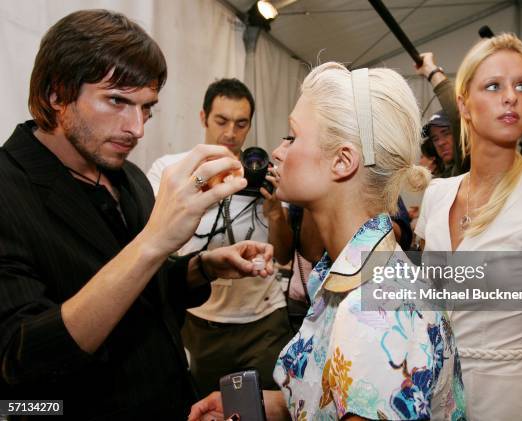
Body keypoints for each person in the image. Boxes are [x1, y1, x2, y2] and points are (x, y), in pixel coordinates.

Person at [0, 10, 274, 420]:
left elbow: (144, 289)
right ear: (56, 94)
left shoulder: (127, 177)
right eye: (116, 101)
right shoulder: (9, 189)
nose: (137, 128)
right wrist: (154, 240)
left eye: (146, 108)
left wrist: (201, 268)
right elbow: (21, 359)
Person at [189, 62, 466, 421]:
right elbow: (328, 399)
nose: (277, 151)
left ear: (342, 161)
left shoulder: (371, 316)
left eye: (292, 136)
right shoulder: (354, 275)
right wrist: (266, 406)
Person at [415, 33, 522, 420]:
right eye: (493, 86)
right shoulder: (437, 195)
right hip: (434, 397)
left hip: (512, 401)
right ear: (463, 104)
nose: (510, 96)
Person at [147, 78, 292, 396]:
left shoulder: (261, 173)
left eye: (241, 124)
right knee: (208, 407)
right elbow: (152, 240)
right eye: (221, 121)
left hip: (263, 319)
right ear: (203, 118)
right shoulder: (171, 170)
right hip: (200, 321)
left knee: (260, 408)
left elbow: (282, 257)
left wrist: (275, 210)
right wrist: (202, 182)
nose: (230, 132)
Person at [416, 52, 469, 177]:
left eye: (446, 133)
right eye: (435, 138)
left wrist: (432, 72)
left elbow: (456, 114)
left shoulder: (469, 166)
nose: (440, 143)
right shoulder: (445, 177)